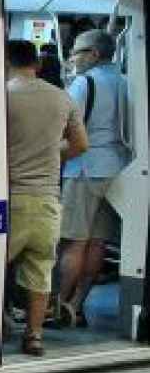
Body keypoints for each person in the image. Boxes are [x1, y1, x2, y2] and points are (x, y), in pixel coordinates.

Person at [4, 39, 88, 357]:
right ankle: (35, 336)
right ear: (37, 65)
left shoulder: (3, 96)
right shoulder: (62, 98)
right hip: (47, 199)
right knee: (40, 270)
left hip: (9, 199)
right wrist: (52, 152)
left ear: (6, 62)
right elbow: (81, 144)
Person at [55, 29, 130, 329]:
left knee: (74, 242)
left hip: (83, 169)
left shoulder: (84, 84)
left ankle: (58, 308)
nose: (72, 58)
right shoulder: (126, 82)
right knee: (97, 243)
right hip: (116, 170)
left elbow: (66, 128)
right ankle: (77, 306)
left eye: (77, 52)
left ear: (94, 54)